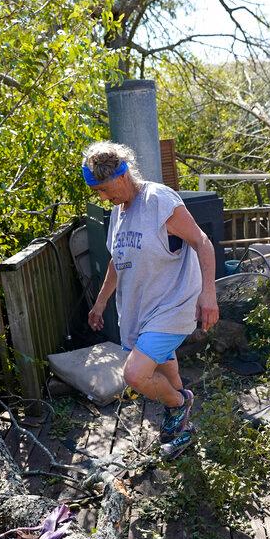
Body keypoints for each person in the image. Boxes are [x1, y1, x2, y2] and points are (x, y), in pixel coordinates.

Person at [83, 141, 219, 460]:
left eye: (104, 189)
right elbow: (118, 262)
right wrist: (101, 302)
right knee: (163, 364)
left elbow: (202, 242)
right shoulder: (118, 215)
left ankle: (177, 404)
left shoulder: (158, 200)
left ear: (122, 174)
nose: (103, 197)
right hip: (140, 311)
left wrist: (208, 294)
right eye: (98, 193)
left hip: (173, 305)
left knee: (135, 374)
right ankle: (182, 424)